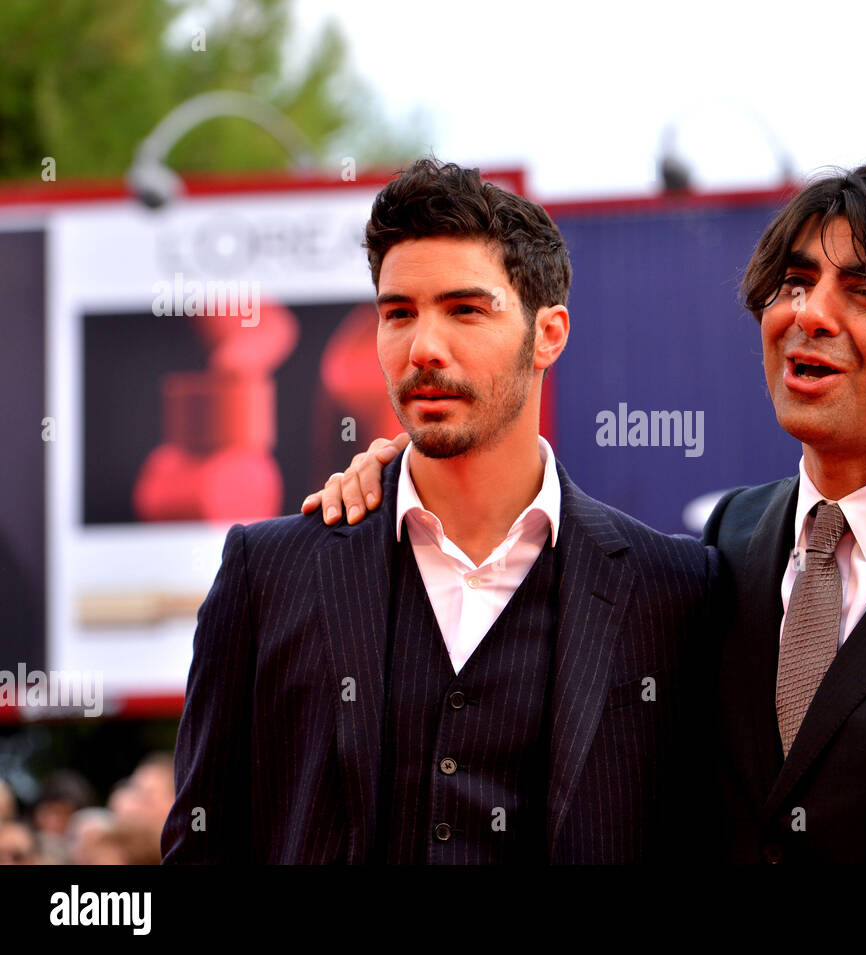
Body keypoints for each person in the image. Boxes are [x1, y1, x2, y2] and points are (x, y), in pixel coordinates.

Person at [307, 163, 866, 864]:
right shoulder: (729, 538)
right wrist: (407, 478)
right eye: (793, 282)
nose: (807, 313)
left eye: (863, 291)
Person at [164, 158, 719, 864]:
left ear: (549, 333)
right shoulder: (268, 574)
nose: (423, 348)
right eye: (399, 313)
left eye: (464, 308)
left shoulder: (674, 592)